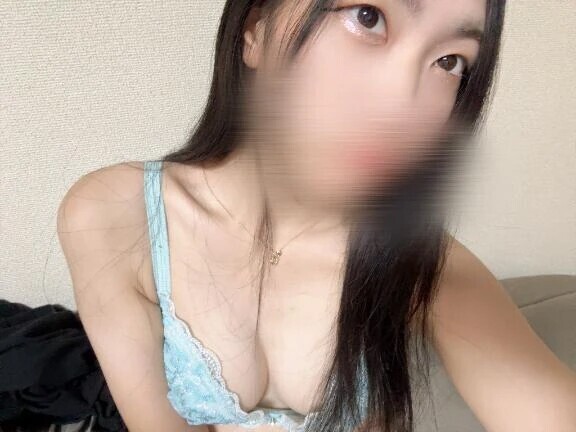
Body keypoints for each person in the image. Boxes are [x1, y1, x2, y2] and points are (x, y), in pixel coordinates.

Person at [56, 1, 576, 431]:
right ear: (256, 30)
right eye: (368, 17)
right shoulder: (113, 217)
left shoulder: (423, 263)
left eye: (449, 62)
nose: (401, 107)